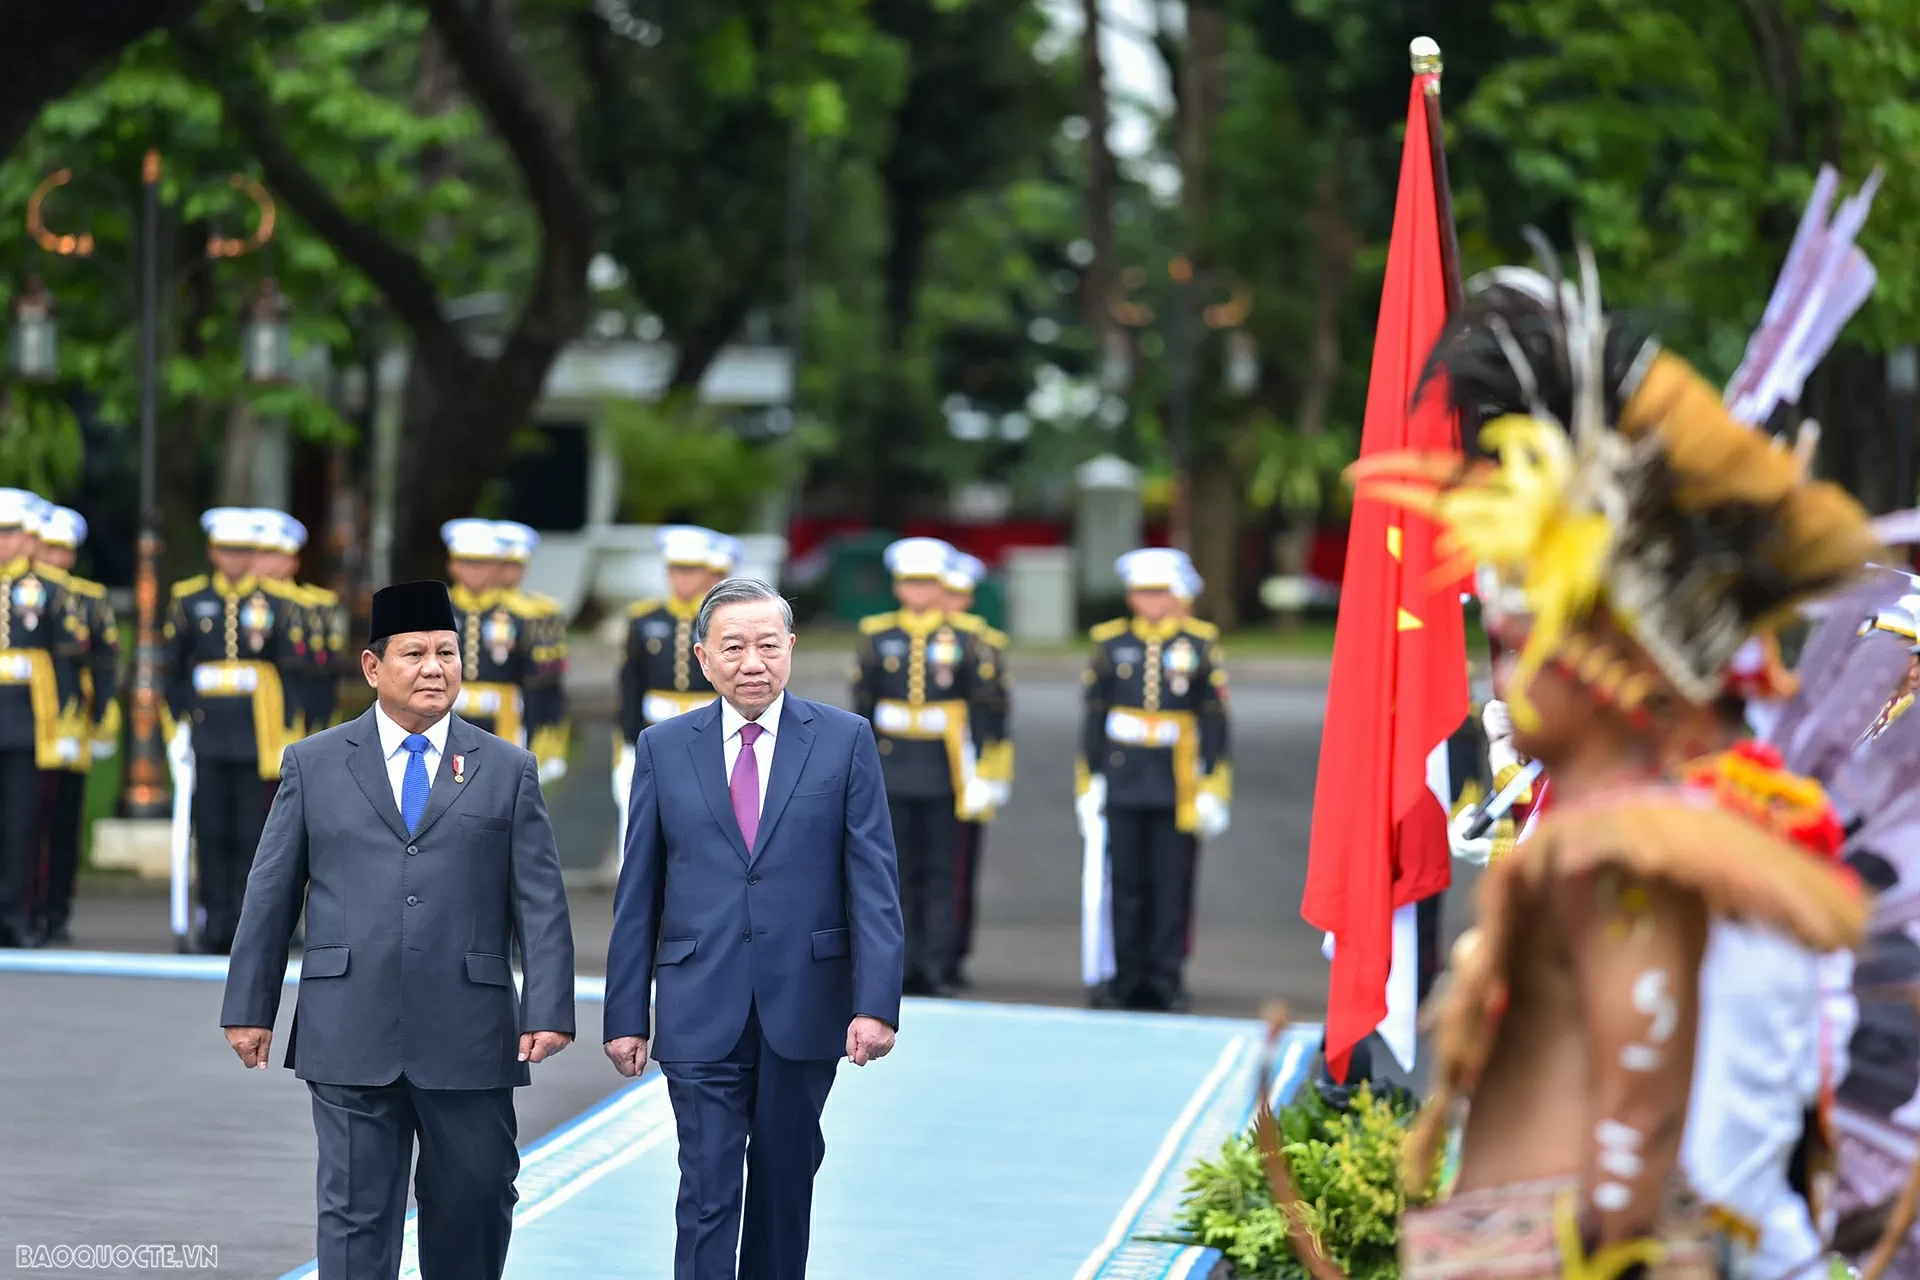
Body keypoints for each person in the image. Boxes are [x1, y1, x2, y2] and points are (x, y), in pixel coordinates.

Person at [1363, 252, 1876, 1277]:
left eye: (1520, 641)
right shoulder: (1641, 825)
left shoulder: (1648, 848)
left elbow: (1701, 1151)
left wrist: (1601, 1250)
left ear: (1601, 671)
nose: (1500, 673)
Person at [219, 579, 575, 1280]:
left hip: (470, 1031)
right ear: (373, 667)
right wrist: (249, 1007)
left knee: (476, 1197)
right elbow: (271, 892)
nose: (435, 668)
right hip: (348, 1023)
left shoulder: (507, 769)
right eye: (414, 653)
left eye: (447, 652)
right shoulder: (314, 763)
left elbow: (541, 900)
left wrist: (549, 1008)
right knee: (354, 1212)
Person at [605, 575, 905, 1280]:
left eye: (768, 645)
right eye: (733, 646)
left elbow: (874, 885)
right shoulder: (663, 747)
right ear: (703, 657)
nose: (753, 662)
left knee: (783, 1184)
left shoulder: (844, 740)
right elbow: (638, 890)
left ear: (791, 649)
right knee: (707, 1187)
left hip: (806, 1002)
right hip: (698, 1001)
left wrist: (875, 1004)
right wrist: (626, 1014)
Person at [1076, 547, 1230, 1012]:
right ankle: (1125, 977)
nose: (1151, 601)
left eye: (1160, 592)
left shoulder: (1200, 644)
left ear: (1176, 596)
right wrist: (1091, 781)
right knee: (1124, 885)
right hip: (1123, 777)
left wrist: (1212, 785)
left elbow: (1214, 721)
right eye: (1143, 592)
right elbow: (1094, 718)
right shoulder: (1110, 643)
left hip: (1176, 781)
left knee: (1171, 885)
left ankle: (1166, 979)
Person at [851, 536, 1000, 996]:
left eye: (927, 583)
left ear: (940, 587)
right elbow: (863, 706)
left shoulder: (968, 638)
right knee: (891, 870)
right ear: (898, 588)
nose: (918, 592)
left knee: (939, 871)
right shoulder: (878, 634)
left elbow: (984, 707)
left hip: (944, 765)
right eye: (910, 583)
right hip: (892, 763)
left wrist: (982, 769)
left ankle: (935, 963)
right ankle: (895, 964)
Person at [162, 507, 299, 954]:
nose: (236, 559)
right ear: (214, 552)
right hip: (208, 730)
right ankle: (214, 921)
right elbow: (173, 667)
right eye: (228, 550)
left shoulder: (276, 604)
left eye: (244, 551)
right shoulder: (190, 600)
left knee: (254, 833)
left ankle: (248, 924)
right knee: (212, 829)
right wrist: (181, 717)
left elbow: (291, 671)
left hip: (257, 733)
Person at [29, 502, 118, 946]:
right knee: (25, 824)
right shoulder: (24, 593)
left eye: (61, 550)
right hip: (25, 724)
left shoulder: (87, 598)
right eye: (47, 549)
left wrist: (101, 717)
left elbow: (103, 663)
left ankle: (56, 911)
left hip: (68, 725)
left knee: (61, 823)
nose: (54, 558)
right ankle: (27, 908)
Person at [614, 525, 731, 853]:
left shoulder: (720, 618)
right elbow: (631, 681)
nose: (682, 579)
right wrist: (627, 737)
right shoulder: (645, 617)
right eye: (676, 570)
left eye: (691, 571)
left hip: (707, 723)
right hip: (656, 722)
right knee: (644, 810)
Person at [0, 490, 84, 948]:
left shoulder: (51, 591)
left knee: (22, 824)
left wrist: (70, 721)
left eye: (11, 533)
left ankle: (15, 914)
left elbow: (67, 660)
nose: (5, 542)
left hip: (29, 723)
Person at [940, 549, 1011, 989]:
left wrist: (992, 774)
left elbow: (994, 717)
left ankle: (950, 950)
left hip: (961, 767)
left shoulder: (979, 644)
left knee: (954, 867)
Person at [440, 518, 533, 750]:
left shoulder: (518, 613)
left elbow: (531, 675)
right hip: (446, 706)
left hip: (501, 710)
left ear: (496, 568)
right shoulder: (437, 609)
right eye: (467, 562)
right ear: (452, 566)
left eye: (483, 563)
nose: (475, 571)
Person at [493, 520, 569, 784]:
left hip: (516, 715)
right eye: (501, 565)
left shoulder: (540, 612)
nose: (506, 574)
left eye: (514, 566)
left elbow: (548, 680)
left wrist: (552, 732)